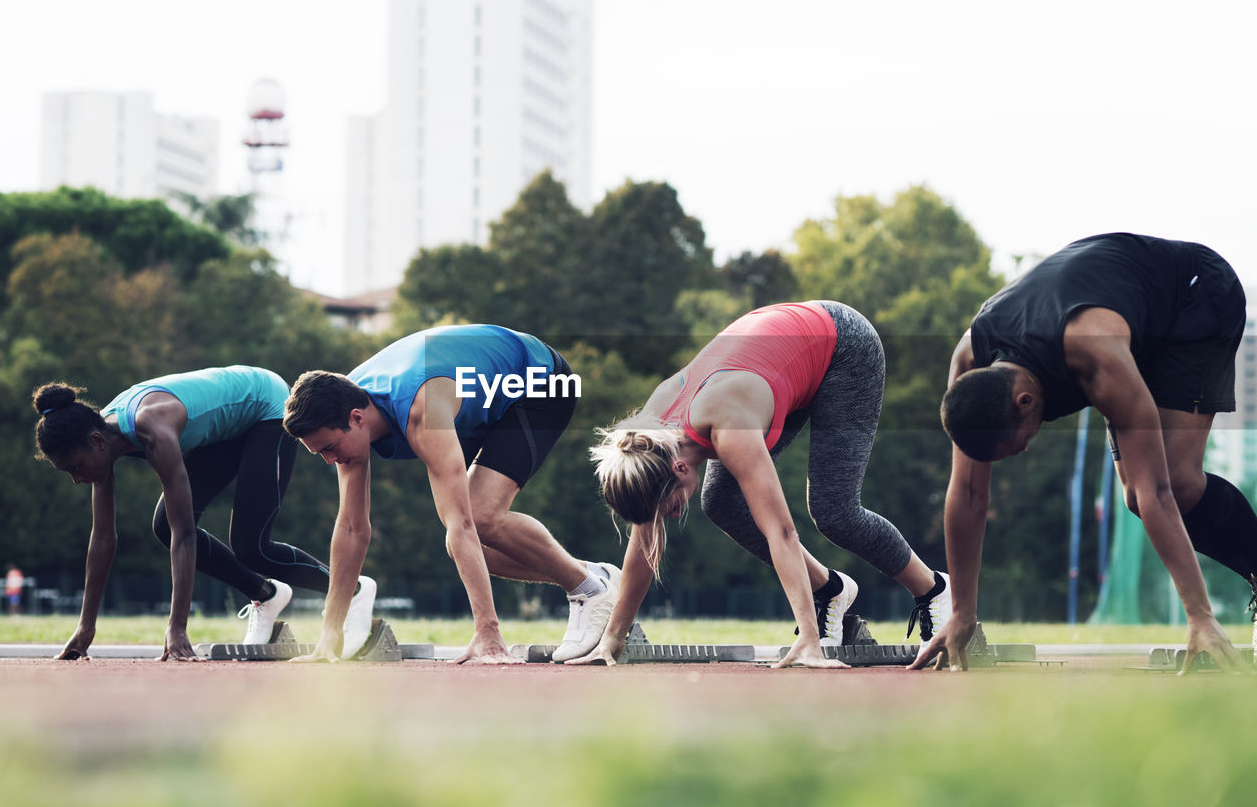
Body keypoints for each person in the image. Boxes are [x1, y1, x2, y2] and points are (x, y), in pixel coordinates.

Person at [918, 232, 1254, 673]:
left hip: (1194, 295)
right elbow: (966, 493)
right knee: (1134, 499)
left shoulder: (1093, 352)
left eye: (1015, 445)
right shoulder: (969, 365)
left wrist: (1199, 616)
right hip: (1126, 310)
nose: (1020, 453)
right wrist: (962, 612)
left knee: (1175, 482)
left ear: (1024, 402)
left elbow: (1160, 491)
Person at [584, 300, 952, 668]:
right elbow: (644, 540)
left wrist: (809, 639)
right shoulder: (649, 439)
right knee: (721, 503)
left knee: (834, 512)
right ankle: (830, 592)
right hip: (780, 357)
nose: (671, 515)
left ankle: (934, 591)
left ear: (679, 468)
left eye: (669, 506)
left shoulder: (729, 424)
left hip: (842, 346)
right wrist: (613, 637)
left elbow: (781, 531)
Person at [281, 324, 619, 664]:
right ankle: (595, 579)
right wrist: (330, 632)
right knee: (463, 547)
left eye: (329, 448)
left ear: (357, 419)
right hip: (474, 394)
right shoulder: (345, 406)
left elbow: (464, 523)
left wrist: (487, 630)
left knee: (478, 517)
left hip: (537, 383)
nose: (329, 460)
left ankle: (590, 590)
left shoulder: (422, 412)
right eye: (319, 454)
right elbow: (352, 529)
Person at [32, 366, 376, 662]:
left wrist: (177, 630)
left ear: (96, 442)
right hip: (224, 430)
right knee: (163, 526)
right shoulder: (98, 440)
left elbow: (186, 534)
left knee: (251, 545)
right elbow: (103, 538)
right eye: (69, 473)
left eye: (76, 467)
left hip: (265, 407)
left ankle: (353, 587)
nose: (77, 479)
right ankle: (266, 594)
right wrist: (85, 627)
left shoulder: (152, 427)